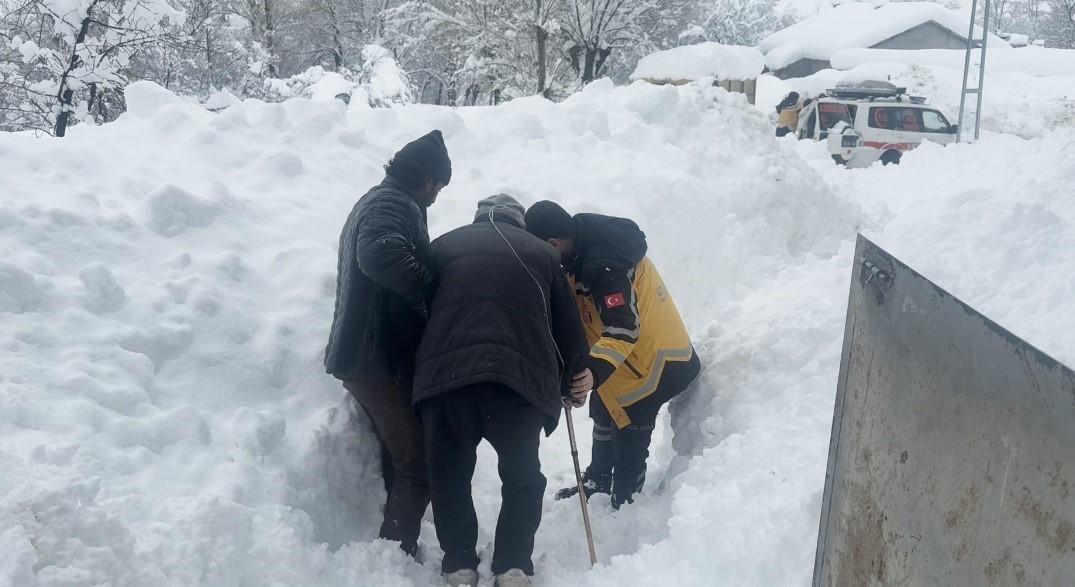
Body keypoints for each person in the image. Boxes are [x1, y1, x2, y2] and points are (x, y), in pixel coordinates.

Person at [412, 194, 590, 587]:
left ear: (478, 218)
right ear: (520, 223)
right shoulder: (543, 255)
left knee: (449, 475)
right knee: (523, 477)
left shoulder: (442, 247)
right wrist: (574, 380)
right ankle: (512, 566)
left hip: (448, 381)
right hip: (517, 383)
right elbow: (568, 327)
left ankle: (459, 564)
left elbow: (415, 312)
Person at [523, 201, 701, 509]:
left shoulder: (606, 266)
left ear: (552, 243)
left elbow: (623, 328)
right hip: (626, 362)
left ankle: (627, 503)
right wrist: (573, 374)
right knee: (603, 408)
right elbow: (580, 320)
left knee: (630, 425)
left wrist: (593, 373)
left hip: (658, 364)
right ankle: (599, 479)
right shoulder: (576, 254)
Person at [323, 130, 451, 558]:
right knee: (419, 463)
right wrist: (431, 289)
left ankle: (396, 542)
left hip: (368, 356)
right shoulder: (393, 203)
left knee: (402, 454)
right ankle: (394, 555)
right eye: (439, 187)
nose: (437, 197)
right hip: (375, 361)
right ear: (427, 179)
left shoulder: (378, 199)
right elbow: (380, 256)